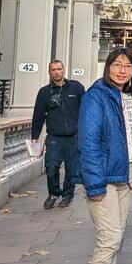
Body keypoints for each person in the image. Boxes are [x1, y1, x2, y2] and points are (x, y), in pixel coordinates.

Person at [78, 47, 132, 264]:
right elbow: (88, 143)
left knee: (116, 239)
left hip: (126, 176)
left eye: (128, 66)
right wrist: (94, 185)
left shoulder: (127, 97)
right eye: (117, 65)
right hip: (104, 178)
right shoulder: (96, 96)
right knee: (109, 240)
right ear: (108, 67)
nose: (122, 70)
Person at [31, 59, 84, 209]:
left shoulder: (76, 88)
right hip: (54, 137)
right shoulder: (44, 92)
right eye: (53, 69)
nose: (56, 72)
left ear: (64, 69)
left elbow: (86, 110)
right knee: (51, 167)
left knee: (71, 169)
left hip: (74, 137)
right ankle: (53, 193)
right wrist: (34, 137)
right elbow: (38, 115)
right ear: (49, 72)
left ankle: (68, 195)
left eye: (59, 69)